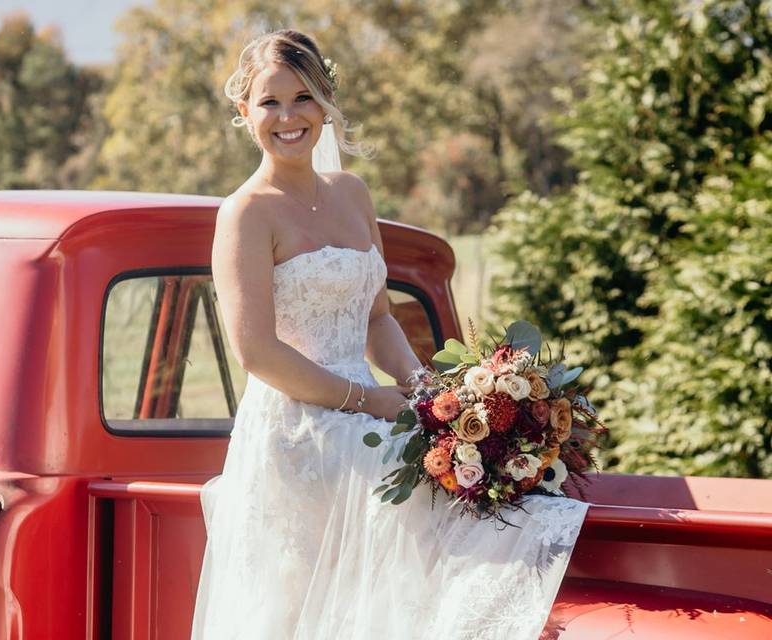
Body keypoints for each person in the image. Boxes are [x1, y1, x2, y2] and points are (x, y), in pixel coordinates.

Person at [191, 29, 588, 640]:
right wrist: (367, 400)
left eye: (303, 97)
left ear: (325, 103)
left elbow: (377, 318)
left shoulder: (352, 193)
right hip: (297, 433)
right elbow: (257, 351)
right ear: (245, 112)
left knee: (463, 496)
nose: (289, 116)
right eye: (270, 102)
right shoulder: (246, 212)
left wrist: (430, 392)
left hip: (372, 415)